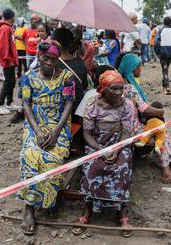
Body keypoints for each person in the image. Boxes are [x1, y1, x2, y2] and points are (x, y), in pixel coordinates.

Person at [16, 41, 75, 235]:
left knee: (51, 159)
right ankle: (29, 208)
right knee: (30, 155)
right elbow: (26, 104)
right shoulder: (27, 78)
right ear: (38, 58)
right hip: (35, 126)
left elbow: (68, 105)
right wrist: (38, 132)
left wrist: (57, 131)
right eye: (45, 58)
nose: (50, 63)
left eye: (53, 59)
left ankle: (51, 198)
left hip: (59, 126)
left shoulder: (67, 77)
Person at [73, 70, 134, 237]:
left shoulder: (127, 104)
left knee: (121, 166)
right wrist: (100, 150)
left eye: (121, 89)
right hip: (97, 143)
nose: (118, 93)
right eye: (114, 89)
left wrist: (115, 150)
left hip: (119, 143)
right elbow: (86, 134)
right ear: (103, 88)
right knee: (92, 166)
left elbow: (127, 133)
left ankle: (122, 212)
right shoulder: (92, 104)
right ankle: (87, 211)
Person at [118, 53, 171, 183]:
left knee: (161, 129)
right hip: (130, 128)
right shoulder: (129, 87)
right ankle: (167, 174)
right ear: (131, 68)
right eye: (138, 66)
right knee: (163, 135)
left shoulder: (120, 83)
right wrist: (160, 111)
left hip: (126, 124)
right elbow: (144, 109)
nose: (140, 69)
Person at [51, 28, 88, 120]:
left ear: (54, 43)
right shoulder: (80, 62)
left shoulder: (50, 63)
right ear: (71, 44)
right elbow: (84, 86)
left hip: (57, 110)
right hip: (77, 109)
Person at [0, 8, 19, 115]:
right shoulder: (5, 28)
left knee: (12, 82)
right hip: (8, 61)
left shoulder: (7, 27)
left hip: (10, 60)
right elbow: (1, 46)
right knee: (8, 82)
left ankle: (9, 103)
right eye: (14, 16)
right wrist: (7, 59)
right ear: (11, 17)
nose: (15, 18)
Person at [158, 16, 171, 95]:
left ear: (163, 22)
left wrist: (157, 52)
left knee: (165, 69)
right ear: (170, 23)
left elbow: (156, 42)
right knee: (165, 68)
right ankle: (163, 85)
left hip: (163, 52)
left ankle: (167, 87)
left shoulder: (160, 30)